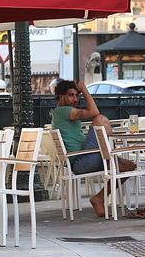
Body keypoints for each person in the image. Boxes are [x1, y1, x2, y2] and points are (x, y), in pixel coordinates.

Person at [50, 80, 140, 217]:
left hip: (84, 159)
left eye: (76, 96)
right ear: (61, 96)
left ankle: (99, 198)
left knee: (128, 166)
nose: (75, 99)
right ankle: (113, 157)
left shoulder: (60, 112)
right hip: (82, 161)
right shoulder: (64, 111)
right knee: (100, 119)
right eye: (71, 95)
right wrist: (84, 90)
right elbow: (94, 111)